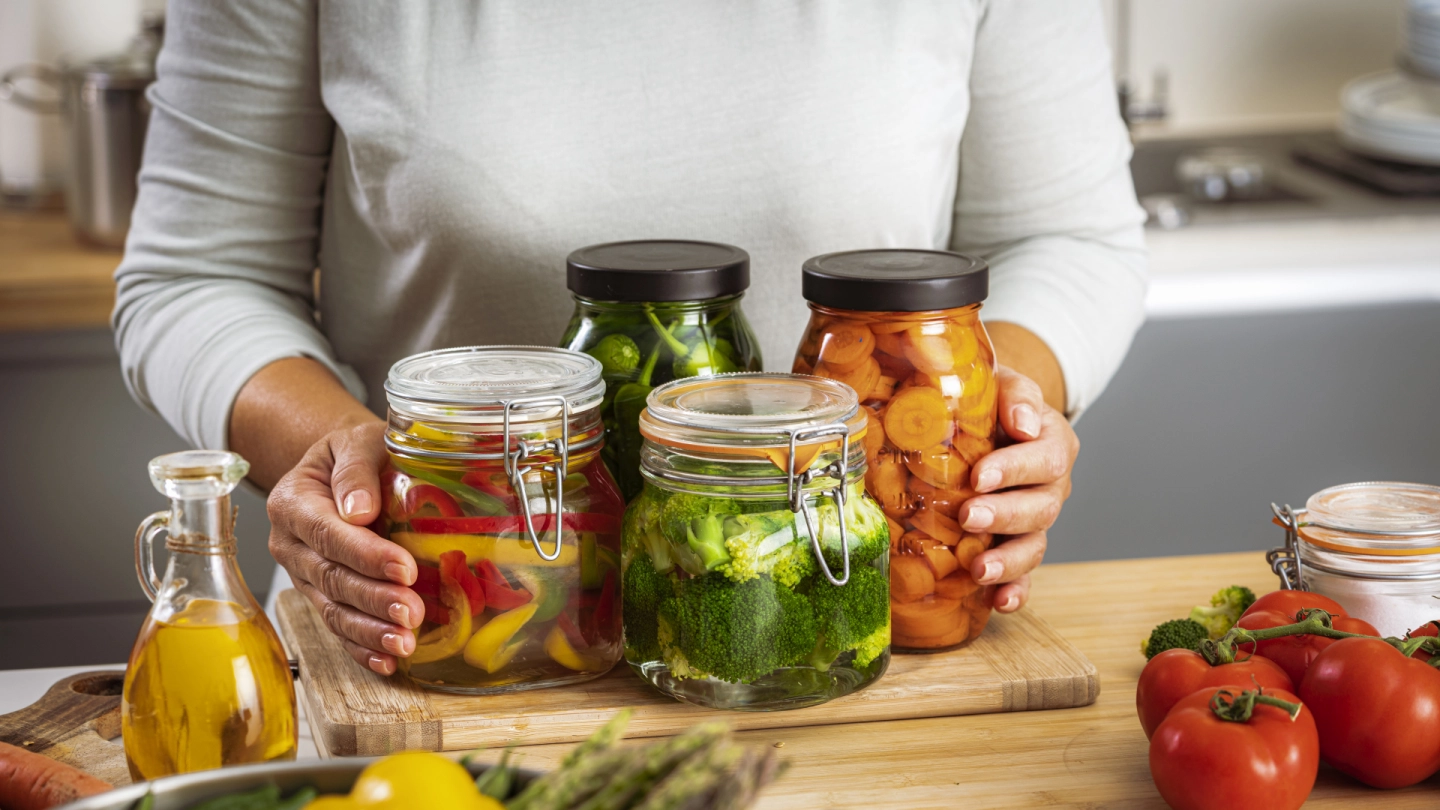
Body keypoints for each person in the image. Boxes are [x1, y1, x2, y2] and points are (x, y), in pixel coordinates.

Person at [114, 1, 1145, 675]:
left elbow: (1072, 239)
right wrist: (332, 447)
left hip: (841, 634)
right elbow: (195, 277)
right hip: (434, 626)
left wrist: (994, 414)